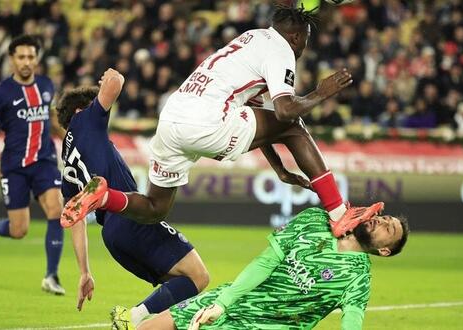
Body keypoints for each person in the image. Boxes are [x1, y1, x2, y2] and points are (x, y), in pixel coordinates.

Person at [60, 6, 383, 237]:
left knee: (156, 207)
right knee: (294, 126)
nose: (304, 48)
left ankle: (103, 197)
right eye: (305, 40)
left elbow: (262, 114)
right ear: (296, 36)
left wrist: (280, 168)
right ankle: (339, 213)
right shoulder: (282, 50)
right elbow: (284, 114)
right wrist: (321, 92)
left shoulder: (252, 38)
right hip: (207, 119)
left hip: (172, 116)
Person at [56, 69, 210, 330]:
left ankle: (138, 320)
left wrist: (85, 271)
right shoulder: (85, 121)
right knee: (199, 275)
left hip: (113, 238)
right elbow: (116, 81)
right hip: (129, 215)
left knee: (182, 283)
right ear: (81, 111)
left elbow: (74, 219)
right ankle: (132, 318)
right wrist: (108, 77)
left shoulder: (67, 159)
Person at [138, 206, 409, 330]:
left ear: (384, 251)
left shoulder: (358, 279)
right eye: (384, 217)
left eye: (390, 228)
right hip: (233, 299)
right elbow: (265, 262)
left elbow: (351, 321)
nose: (383, 221)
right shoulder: (315, 220)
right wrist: (223, 303)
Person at [0, 34, 67, 295]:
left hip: (45, 161)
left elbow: (53, 121)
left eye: (31, 57)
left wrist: (71, 137)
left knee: (56, 209)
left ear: (37, 59)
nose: (27, 62)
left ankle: (51, 275)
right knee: (19, 230)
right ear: (12, 60)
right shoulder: (2, 93)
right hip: (14, 166)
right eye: (21, 57)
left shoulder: (47, 85)